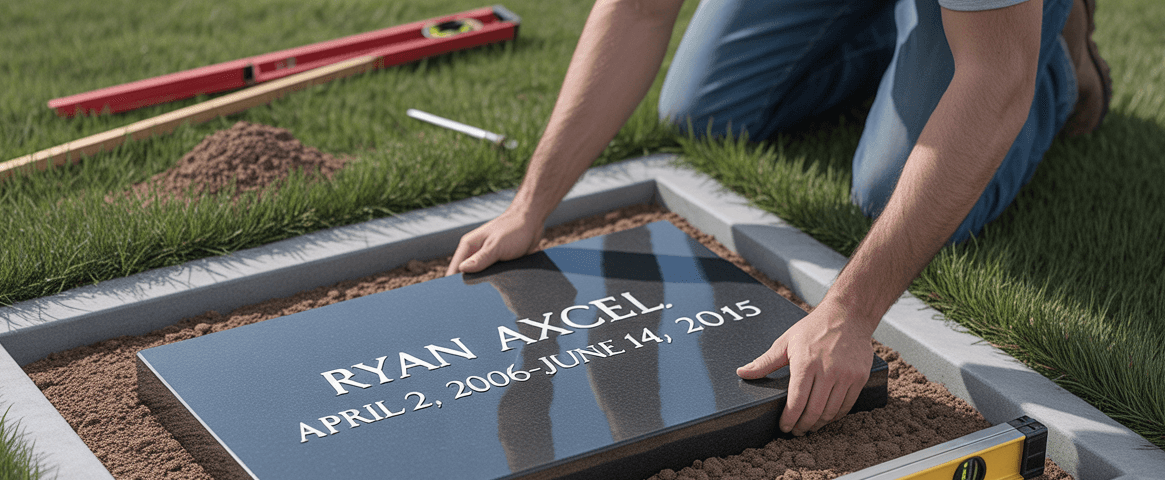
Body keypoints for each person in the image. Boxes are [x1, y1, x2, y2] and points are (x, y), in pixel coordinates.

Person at [445, 0, 1110, 436]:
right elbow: (639, 11)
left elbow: (994, 76)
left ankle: (1055, 54)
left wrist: (850, 313)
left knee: (890, 192)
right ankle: (900, 42)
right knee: (705, 115)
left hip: (997, 37)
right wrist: (531, 206)